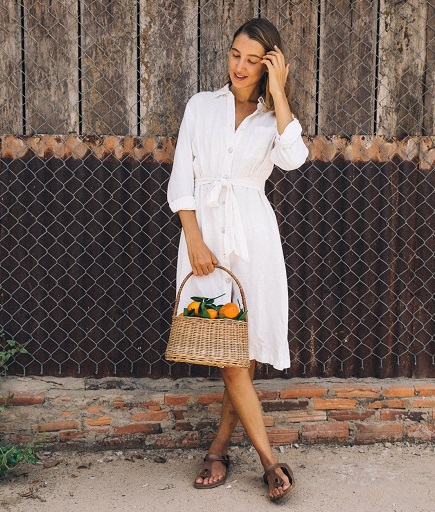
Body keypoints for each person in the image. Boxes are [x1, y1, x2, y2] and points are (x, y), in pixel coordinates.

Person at [166, 17, 308, 501]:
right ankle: (271, 461)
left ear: (270, 65)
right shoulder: (201, 107)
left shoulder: (274, 120)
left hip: (253, 238)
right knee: (227, 353)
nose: (241, 67)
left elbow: (294, 158)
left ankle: (219, 449)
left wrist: (280, 93)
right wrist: (194, 240)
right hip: (204, 237)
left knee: (240, 356)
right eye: (235, 55)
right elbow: (182, 178)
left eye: (254, 60)